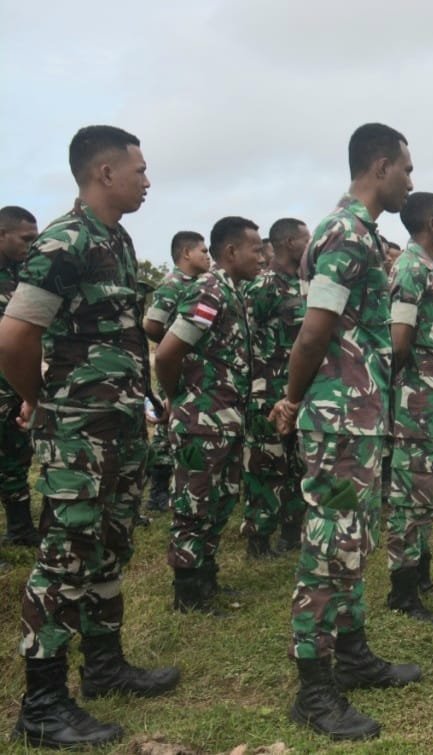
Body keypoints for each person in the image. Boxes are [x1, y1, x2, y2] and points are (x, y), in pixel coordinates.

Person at [0, 125, 179, 749]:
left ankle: (105, 668)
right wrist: (37, 399)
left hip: (121, 427)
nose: (147, 179)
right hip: (78, 435)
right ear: (105, 173)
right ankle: (44, 705)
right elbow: (15, 337)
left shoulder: (118, 239)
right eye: (140, 169)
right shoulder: (63, 242)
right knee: (64, 558)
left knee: (109, 548)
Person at [269, 123, 420, 741]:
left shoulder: (360, 233)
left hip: (360, 415)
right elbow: (314, 330)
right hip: (336, 416)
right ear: (380, 166)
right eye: (406, 168)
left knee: (353, 539)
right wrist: (293, 397)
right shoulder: (343, 234)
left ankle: (353, 652)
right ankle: (313, 687)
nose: (412, 180)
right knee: (327, 548)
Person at [155, 216, 263, 612]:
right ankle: (187, 592)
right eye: (256, 249)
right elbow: (167, 352)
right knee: (193, 504)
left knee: (218, 500)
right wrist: (178, 398)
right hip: (202, 419)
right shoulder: (210, 289)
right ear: (231, 251)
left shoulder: (233, 291)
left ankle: (206, 579)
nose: (262, 256)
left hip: (226, 418)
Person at [384, 192, 433, 630]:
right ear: (432, 223)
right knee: (408, 500)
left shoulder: (432, 267)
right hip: (416, 407)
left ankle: (422, 577)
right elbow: (399, 341)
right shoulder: (411, 268)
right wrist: (405, 395)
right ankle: (402, 592)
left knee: (429, 494)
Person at [241, 218, 309, 556]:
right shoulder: (263, 286)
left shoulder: (305, 285)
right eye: (305, 238)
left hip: (300, 391)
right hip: (267, 391)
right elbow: (245, 338)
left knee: (299, 463)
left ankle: (292, 531)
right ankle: (258, 537)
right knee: (266, 466)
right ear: (289, 242)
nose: (310, 244)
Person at [142, 231, 211, 515]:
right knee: (166, 427)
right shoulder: (173, 284)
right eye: (203, 251)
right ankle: (157, 491)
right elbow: (151, 324)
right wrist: (174, 344)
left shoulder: (199, 284)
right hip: (176, 367)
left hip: (192, 368)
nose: (208, 256)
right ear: (186, 254)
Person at [0, 206, 40, 551]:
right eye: (26, 239)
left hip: (14, 387)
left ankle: (21, 530)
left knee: (16, 458)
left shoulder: (25, 276)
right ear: (2, 235)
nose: (33, 245)